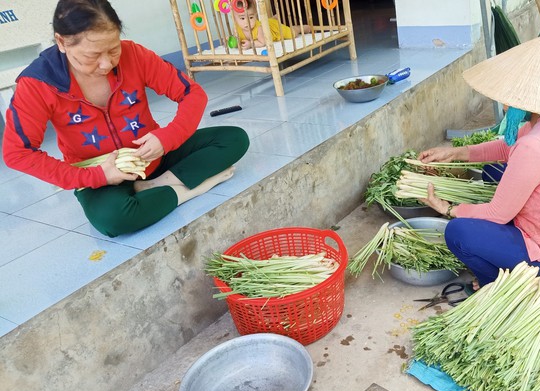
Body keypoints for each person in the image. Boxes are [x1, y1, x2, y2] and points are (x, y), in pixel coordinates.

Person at [2, 0, 249, 237]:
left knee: (234, 139)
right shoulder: (38, 83)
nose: (106, 64)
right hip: (101, 176)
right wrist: (97, 176)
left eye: (113, 49)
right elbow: (17, 153)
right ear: (62, 42)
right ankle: (187, 190)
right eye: (92, 56)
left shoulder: (134, 55)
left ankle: (157, 185)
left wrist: (167, 137)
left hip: (154, 157)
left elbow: (191, 93)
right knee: (113, 219)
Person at [418, 35, 540, 288]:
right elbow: (507, 147)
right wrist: (456, 153)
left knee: (458, 232)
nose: (505, 103)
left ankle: (497, 284)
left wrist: (448, 209)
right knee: (493, 170)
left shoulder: (536, 146)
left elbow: (496, 214)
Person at [233, 0, 312, 49]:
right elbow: (237, 41)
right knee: (267, 22)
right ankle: (273, 18)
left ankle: (301, 28)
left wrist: (251, 44)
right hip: (266, 23)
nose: (247, 22)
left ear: (255, 15)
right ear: (234, 18)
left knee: (291, 33)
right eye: (242, 18)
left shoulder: (259, 28)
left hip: (274, 29)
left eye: (251, 17)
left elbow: (262, 42)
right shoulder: (237, 29)